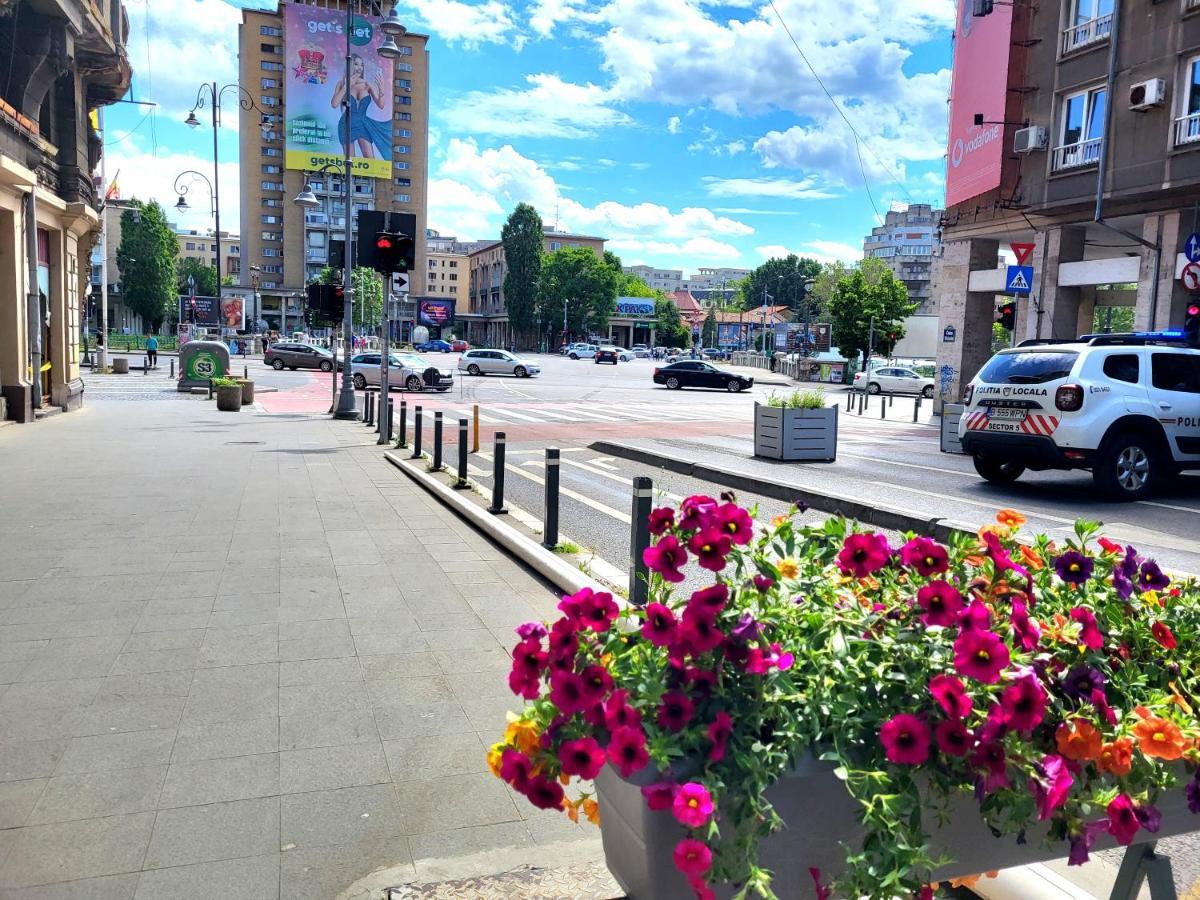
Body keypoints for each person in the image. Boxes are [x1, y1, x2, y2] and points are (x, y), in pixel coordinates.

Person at [331, 54, 389, 160]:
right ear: (350, 66)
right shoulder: (341, 83)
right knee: (350, 162)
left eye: (361, 65)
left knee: (371, 161)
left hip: (363, 124)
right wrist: (347, 85)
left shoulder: (368, 85)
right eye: (356, 64)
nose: (359, 67)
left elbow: (381, 105)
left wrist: (381, 90)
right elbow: (334, 104)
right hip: (346, 124)